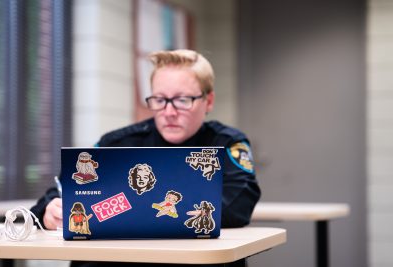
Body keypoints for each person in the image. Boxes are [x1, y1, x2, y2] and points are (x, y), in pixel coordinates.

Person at [31, 49, 261, 267]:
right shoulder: (117, 144)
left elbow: (239, 205)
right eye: (159, 100)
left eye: (182, 100)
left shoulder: (227, 143)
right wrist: (50, 211)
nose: (169, 112)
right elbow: (60, 191)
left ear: (208, 101)